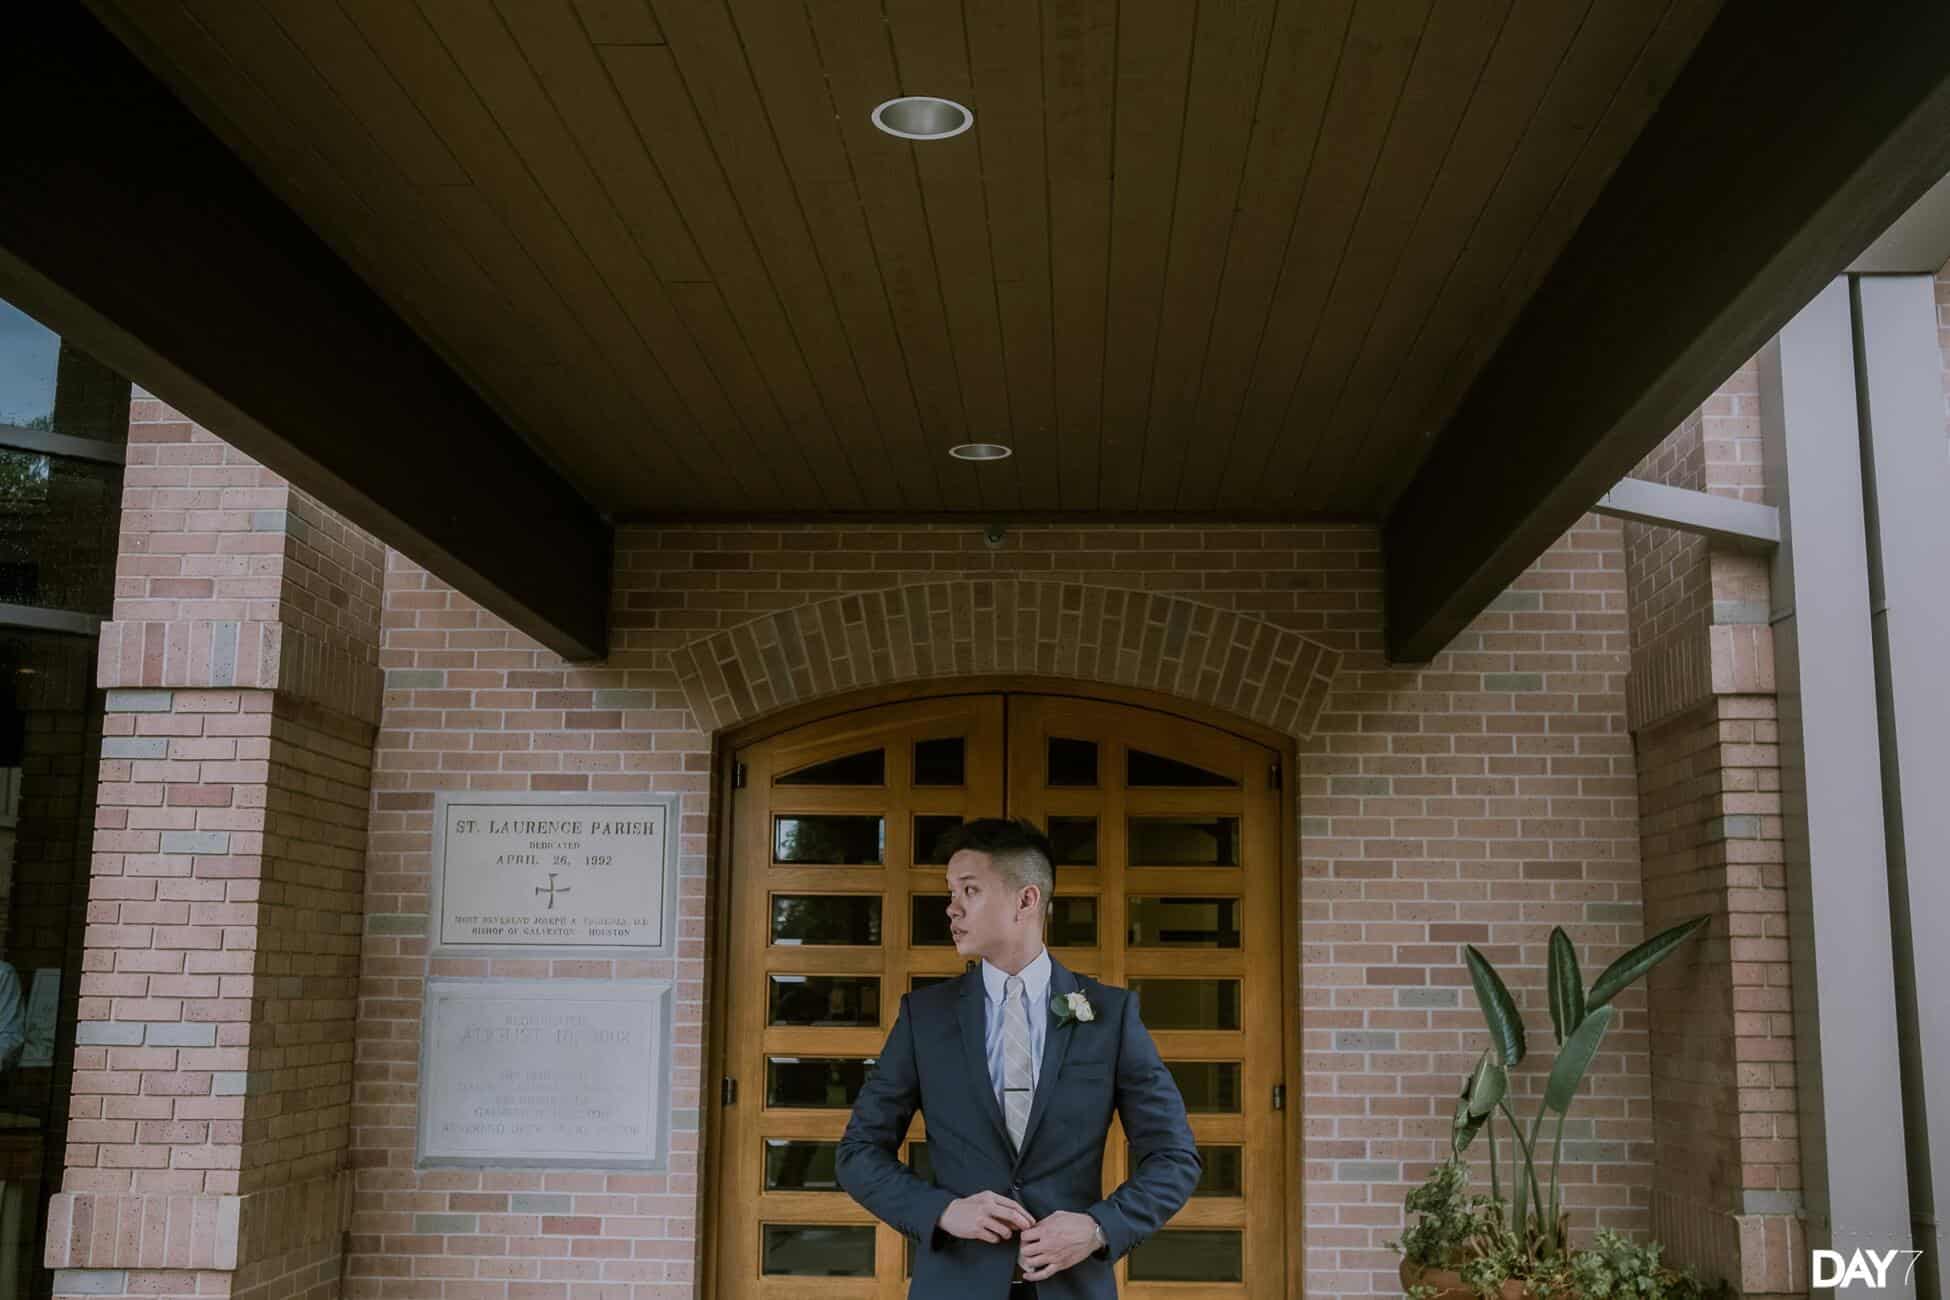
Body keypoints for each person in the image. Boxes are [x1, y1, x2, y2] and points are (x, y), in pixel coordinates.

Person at [837, 818, 1200, 1299]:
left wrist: (1097, 1227)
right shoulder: (924, 1018)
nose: (952, 909)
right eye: (951, 891)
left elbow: (1174, 1157)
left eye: (970, 890)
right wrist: (943, 1211)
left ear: (1026, 900)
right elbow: (858, 1152)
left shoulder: (1110, 1016)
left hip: (1071, 1287)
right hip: (955, 1287)